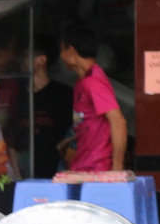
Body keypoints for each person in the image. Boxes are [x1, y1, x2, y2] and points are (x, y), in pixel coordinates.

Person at [57, 22, 126, 172]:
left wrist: (117, 167)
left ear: (71, 51)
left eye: (62, 50)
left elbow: (118, 121)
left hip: (98, 170)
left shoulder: (93, 82)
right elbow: (92, 124)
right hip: (84, 168)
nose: (61, 56)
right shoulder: (83, 82)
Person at [29, 31, 73, 179]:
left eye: (25, 56)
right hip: (24, 170)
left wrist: (64, 147)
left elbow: (77, 130)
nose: (20, 60)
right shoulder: (20, 94)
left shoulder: (64, 95)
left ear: (41, 60)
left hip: (56, 168)